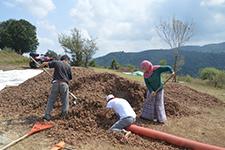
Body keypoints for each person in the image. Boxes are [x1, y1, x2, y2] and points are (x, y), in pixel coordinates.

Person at [40, 55, 72, 121]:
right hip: (64, 84)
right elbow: (70, 78)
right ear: (66, 60)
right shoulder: (68, 66)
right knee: (65, 100)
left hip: (56, 83)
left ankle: (47, 115)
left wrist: (40, 66)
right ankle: (64, 115)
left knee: (51, 100)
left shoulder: (57, 62)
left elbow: (44, 63)